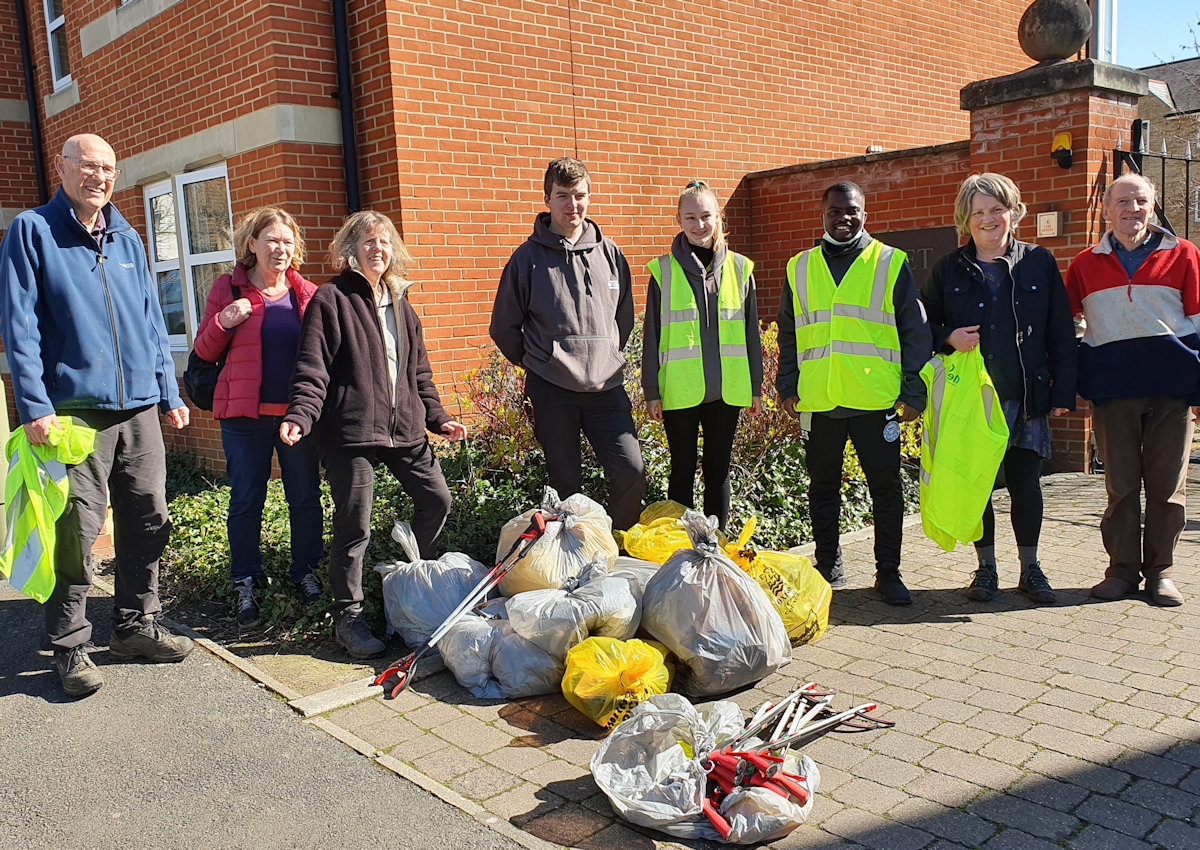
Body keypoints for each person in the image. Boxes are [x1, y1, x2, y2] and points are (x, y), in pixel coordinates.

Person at [0, 133, 194, 697]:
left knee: (148, 519)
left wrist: (169, 391)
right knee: (76, 531)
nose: (99, 177)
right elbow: (20, 326)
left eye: (108, 168)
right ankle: (69, 645)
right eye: (87, 166)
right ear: (62, 168)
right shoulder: (33, 231)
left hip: (138, 409)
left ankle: (136, 625)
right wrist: (33, 404)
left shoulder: (127, 235)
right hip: (73, 411)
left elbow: (151, 321)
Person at [280, 211, 467, 658]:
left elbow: (419, 372)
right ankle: (348, 615)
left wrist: (438, 418)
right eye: (367, 242)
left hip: (404, 428)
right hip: (351, 433)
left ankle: (408, 581)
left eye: (384, 241)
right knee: (353, 525)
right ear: (350, 249)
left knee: (437, 499)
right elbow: (312, 368)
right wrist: (300, 416)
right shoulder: (331, 299)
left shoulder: (403, 304)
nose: (377, 249)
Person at [922, 173, 1077, 604]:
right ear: (965, 221)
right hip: (973, 400)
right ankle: (985, 568)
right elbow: (920, 324)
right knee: (981, 485)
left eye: (996, 210)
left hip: (1025, 395)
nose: (988, 220)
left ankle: (1031, 568)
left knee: (1028, 484)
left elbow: (1060, 331)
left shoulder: (1039, 261)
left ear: (1013, 213)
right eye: (978, 213)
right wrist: (948, 336)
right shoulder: (949, 268)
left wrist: (1063, 393)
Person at [776, 181, 931, 605]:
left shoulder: (890, 262)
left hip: (874, 400)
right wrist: (787, 384)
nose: (844, 218)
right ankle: (828, 565)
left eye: (853, 211)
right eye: (835, 211)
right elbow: (789, 333)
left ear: (865, 213)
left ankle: (888, 573)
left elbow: (914, 332)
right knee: (822, 487)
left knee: (886, 491)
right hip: (820, 400)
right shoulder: (800, 267)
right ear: (822, 214)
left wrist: (913, 392)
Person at [1066, 174, 1200, 607]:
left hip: (1172, 393)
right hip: (1113, 392)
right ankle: (1121, 571)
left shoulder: (1184, 255)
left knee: (1166, 488)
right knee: (1120, 487)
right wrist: (1078, 386)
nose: (1132, 209)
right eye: (1123, 201)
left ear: (1153, 205)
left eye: (1141, 200)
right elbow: (1070, 329)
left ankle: (1160, 572)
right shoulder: (1084, 264)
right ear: (1106, 209)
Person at [489, 157, 645, 530]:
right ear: (547, 199)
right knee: (565, 487)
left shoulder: (610, 253)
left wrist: (607, 352)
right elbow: (504, 327)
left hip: (607, 389)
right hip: (553, 390)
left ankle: (618, 550)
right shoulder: (526, 259)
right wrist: (539, 361)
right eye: (563, 196)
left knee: (631, 471)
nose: (572, 205)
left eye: (579, 195)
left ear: (589, 197)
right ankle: (573, 561)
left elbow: (624, 316)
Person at [193, 208, 323, 628]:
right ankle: (246, 579)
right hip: (243, 417)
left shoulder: (307, 292)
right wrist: (224, 321)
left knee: (304, 497)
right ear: (252, 243)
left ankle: (307, 571)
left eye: (287, 241)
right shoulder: (228, 289)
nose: (280, 248)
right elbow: (204, 350)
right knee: (247, 500)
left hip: (296, 416)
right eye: (271, 239)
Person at [641, 180, 762, 530]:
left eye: (706, 216)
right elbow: (652, 334)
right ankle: (679, 548)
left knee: (718, 471)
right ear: (678, 219)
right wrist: (652, 390)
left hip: (727, 391)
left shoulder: (741, 269)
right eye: (690, 217)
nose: (699, 225)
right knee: (681, 470)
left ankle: (716, 545)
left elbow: (750, 332)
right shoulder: (662, 271)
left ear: (718, 217)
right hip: (679, 390)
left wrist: (755, 386)